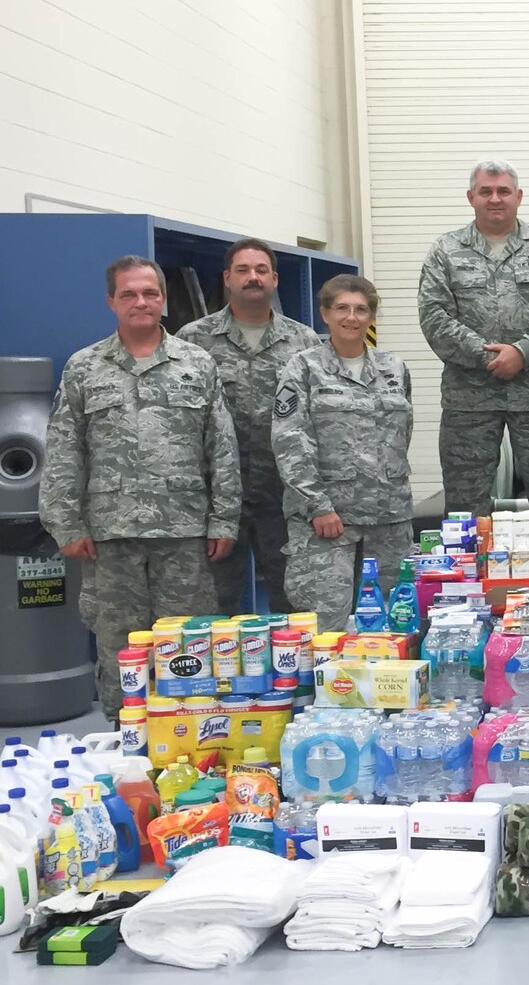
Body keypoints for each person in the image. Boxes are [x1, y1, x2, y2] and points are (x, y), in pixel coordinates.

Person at [39, 256, 240, 716]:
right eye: (128, 294)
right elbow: (65, 448)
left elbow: (222, 447)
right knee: (119, 651)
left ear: (164, 301)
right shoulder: (85, 367)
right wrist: (65, 524)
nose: (140, 303)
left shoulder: (196, 363)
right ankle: (125, 743)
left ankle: (191, 742)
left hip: (184, 533)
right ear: (111, 301)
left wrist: (225, 519)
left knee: (189, 646)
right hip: (110, 537)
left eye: (150, 293)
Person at [416, 160, 529, 553]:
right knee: (465, 505)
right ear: (471, 197)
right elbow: (434, 315)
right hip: (469, 399)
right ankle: (465, 595)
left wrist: (522, 353)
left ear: (518, 197)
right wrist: (486, 355)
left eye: (503, 191)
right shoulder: (445, 251)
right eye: (486, 191)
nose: (495, 199)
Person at [176, 237, 318, 615]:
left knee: (294, 602)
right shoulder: (193, 340)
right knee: (213, 604)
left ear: (274, 279)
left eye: (260, 270)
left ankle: (294, 675)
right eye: (242, 270)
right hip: (218, 497)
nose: (252, 277)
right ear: (226, 278)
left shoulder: (304, 341)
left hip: (283, 496)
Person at [271, 276, 415, 632]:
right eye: (343, 308)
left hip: (388, 520)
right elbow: (290, 441)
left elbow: (401, 436)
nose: (352, 317)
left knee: (393, 624)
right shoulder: (303, 368)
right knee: (326, 626)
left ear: (371, 317)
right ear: (325, 314)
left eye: (361, 309)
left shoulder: (394, 369)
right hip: (328, 522)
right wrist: (317, 505)